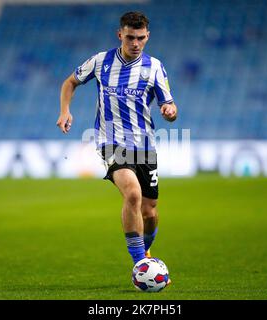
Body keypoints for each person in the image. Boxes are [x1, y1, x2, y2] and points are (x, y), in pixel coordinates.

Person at [56, 12, 178, 269]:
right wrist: (65, 110)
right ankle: (140, 265)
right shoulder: (101, 62)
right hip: (111, 142)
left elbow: (169, 105)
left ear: (147, 36)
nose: (136, 43)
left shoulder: (155, 66)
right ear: (120, 34)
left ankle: (145, 251)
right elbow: (70, 82)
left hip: (144, 146)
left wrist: (170, 112)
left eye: (141, 38)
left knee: (150, 211)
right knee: (132, 193)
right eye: (131, 37)